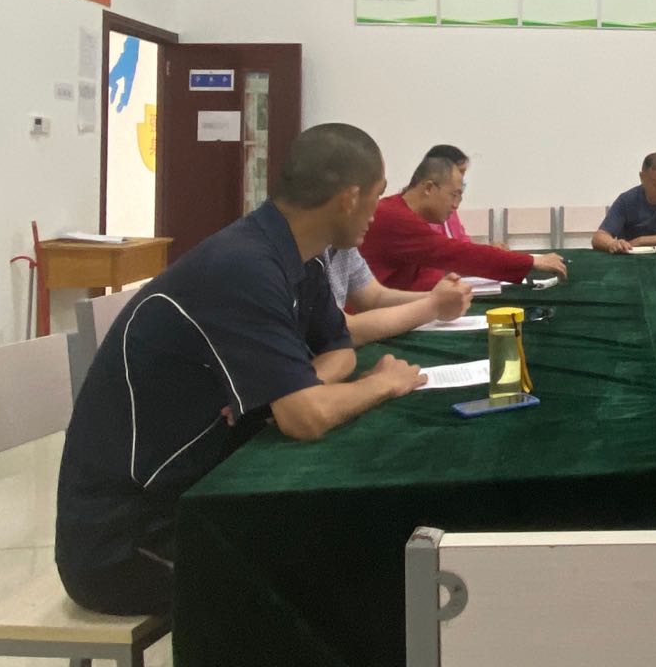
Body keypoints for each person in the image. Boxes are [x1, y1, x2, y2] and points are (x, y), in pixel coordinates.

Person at [56, 124, 426, 615]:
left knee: (352, 535)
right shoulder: (243, 265)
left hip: (202, 487)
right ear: (349, 198)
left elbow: (341, 351)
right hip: (127, 539)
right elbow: (305, 417)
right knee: (339, 576)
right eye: (377, 196)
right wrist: (380, 385)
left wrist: (294, 387)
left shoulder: (302, 258)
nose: (378, 212)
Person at [360, 152, 567, 289]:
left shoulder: (403, 213)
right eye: (454, 195)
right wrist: (531, 261)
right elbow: (456, 253)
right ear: (429, 188)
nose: (456, 205)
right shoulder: (396, 218)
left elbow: (430, 267)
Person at [320, 244, 474, 345]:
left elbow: (373, 298)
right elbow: (342, 331)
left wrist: (439, 298)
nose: (373, 217)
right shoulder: (395, 216)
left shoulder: (344, 240)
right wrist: (434, 306)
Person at [423, 144, 477, 243]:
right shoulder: (421, 211)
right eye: (459, 173)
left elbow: (462, 240)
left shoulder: (449, 207)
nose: (461, 181)